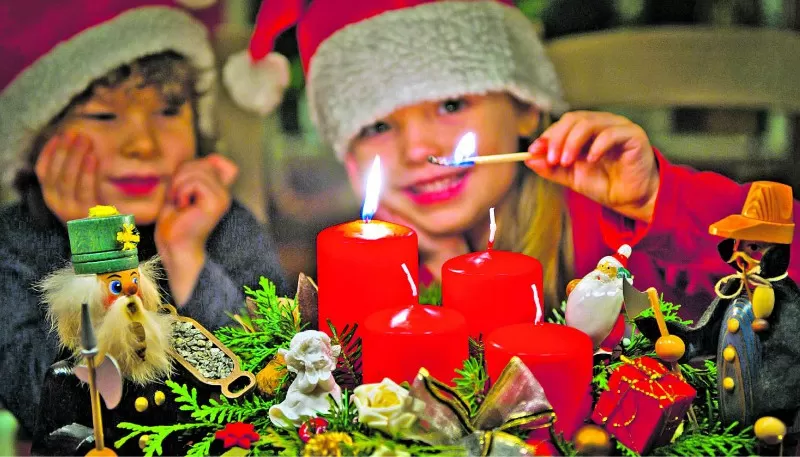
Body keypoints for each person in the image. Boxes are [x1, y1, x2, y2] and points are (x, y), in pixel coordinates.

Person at [227, 0, 800, 321]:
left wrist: (658, 200)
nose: (417, 151)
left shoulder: (612, 231)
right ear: (348, 156)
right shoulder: (357, 271)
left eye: (452, 103)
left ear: (526, 109)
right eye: (377, 125)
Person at [0, 0, 289, 438]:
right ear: (41, 137)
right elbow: (55, 413)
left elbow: (274, 383)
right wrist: (100, 249)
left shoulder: (224, 223)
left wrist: (187, 255)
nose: (143, 144)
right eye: (104, 115)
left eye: (169, 111)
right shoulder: (15, 242)